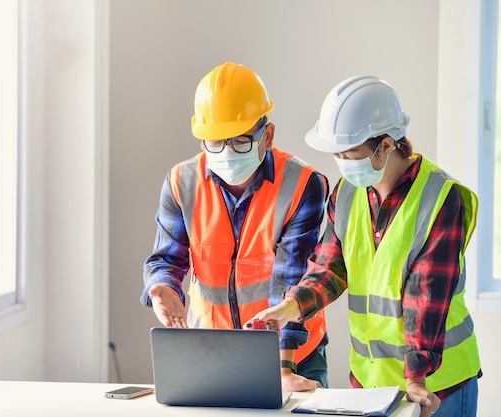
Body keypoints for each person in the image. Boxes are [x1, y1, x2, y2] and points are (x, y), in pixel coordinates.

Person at [250, 75, 482, 417]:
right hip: (372, 387)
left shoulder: (442, 198)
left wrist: (417, 378)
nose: (343, 162)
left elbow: (426, 295)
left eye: (351, 154)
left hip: (437, 385)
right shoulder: (345, 194)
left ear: (386, 145)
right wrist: (289, 308)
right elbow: (328, 269)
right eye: (338, 153)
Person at [140, 62, 330, 391]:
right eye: (214, 142)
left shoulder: (301, 184)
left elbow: (292, 277)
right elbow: (166, 259)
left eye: (240, 141)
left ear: (266, 135)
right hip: (212, 350)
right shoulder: (180, 183)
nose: (227, 153)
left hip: (293, 351)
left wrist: (283, 364)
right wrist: (163, 289)